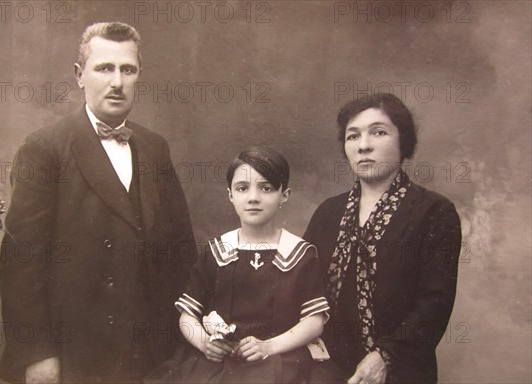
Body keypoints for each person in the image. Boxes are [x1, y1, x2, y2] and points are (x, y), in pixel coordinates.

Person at [0, 22, 195, 384]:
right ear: (79, 75)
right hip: (77, 350)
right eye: (104, 68)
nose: (117, 82)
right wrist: (38, 353)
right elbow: (21, 264)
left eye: (127, 69)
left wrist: (185, 335)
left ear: (138, 76)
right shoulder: (44, 149)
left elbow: (179, 250)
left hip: (149, 348)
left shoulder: (154, 147)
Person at [304, 93, 462, 384]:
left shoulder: (434, 212)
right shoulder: (329, 212)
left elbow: (434, 303)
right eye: (353, 136)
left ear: (404, 142)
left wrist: (384, 357)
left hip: (398, 367)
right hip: (324, 366)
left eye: (378, 132)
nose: (364, 145)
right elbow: (302, 288)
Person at [144, 147, 330, 384]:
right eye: (242, 188)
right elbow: (187, 316)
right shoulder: (216, 251)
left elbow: (314, 322)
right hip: (221, 361)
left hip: (281, 358)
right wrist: (204, 342)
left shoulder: (300, 254)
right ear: (231, 195)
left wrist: (268, 347)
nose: (253, 197)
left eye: (266, 188)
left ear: (284, 195)